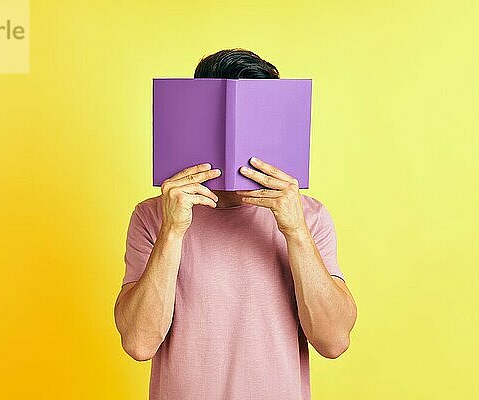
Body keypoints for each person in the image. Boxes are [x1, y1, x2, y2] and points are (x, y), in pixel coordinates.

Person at [113, 48, 357, 400]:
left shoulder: (309, 216)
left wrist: (295, 232)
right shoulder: (153, 217)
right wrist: (173, 231)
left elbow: (334, 341)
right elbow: (138, 343)